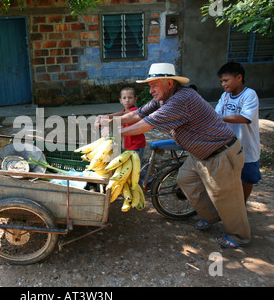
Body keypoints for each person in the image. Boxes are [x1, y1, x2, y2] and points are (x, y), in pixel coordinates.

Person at [96, 63, 251, 249]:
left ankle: (240, 235)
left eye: (154, 85)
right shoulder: (162, 99)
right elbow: (137, 115)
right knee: (186, 181)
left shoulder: (182, 99)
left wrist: (115, 132)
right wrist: (110, 119)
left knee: (226, 197)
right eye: (149, 86)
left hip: (221, 152)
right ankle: (212, 216)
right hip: (199, 154)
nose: (151, 90)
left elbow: (146, 124)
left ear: (169, 83)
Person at [215, 62, 261, 203]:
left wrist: (219, 118)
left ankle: (242, 204)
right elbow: (216, 114)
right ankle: (232, 205)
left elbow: (245, 118)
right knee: (229, 177)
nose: (223, 84)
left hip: (247, 147)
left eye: (226, 80)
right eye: (221, 81)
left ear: (239, 78)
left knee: (246, 179)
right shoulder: (225, 96)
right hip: (229, 146)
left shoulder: (249, 95)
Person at [102, 87, 146, 163]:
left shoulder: (135, 110)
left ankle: (145, 174)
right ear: (120, 100)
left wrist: (106, 116)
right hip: (128, 144)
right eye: (124, 98)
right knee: (130, 164)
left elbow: (123, 114)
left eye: (130, 98)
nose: (127, 100)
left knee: (136, 165)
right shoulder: (123, 111)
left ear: (135, 99)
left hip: (137, 144)